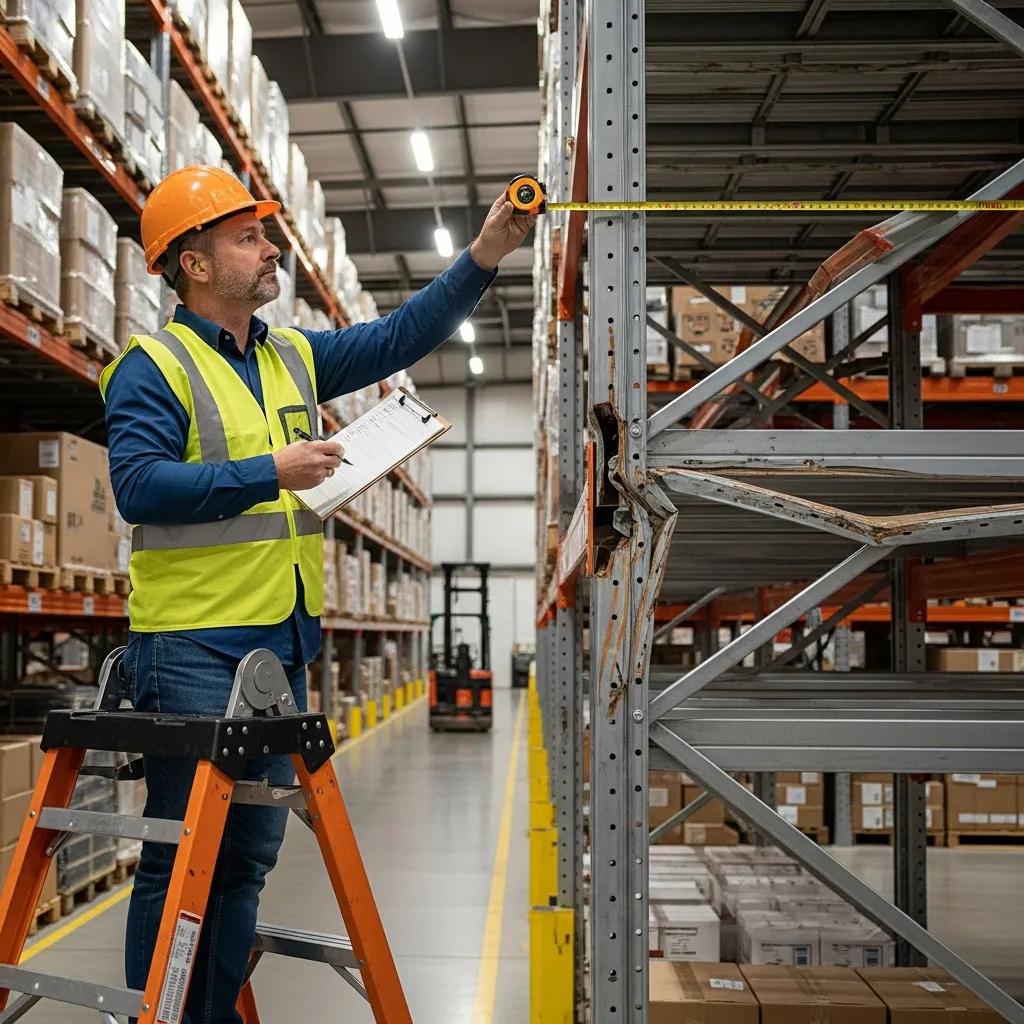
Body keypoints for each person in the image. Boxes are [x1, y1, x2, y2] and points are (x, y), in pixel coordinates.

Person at [99, 165, 534, 1024]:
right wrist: (272, 471)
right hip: (191, 646)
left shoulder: (291, 355)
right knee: (184, 862)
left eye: (266, 233)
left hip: (279, 647)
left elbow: (397, 337)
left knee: (247, 860)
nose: (271, 249)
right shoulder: (153, 367)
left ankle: (208, 1014)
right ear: (195, 264)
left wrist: (483, 255)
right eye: (248, 237)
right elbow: (139, 487)